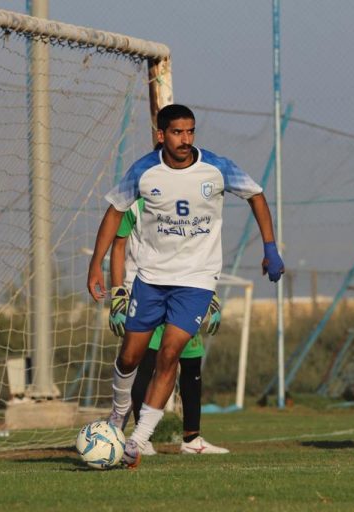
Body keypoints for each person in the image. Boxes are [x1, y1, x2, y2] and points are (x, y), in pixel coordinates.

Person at [87, 104, 283, 468]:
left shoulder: (217, 167)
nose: (186, 139)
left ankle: (137, 441)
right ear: (161, 135)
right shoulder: (144, 171)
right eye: (177, 132)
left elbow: (256, 195)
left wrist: (270, 247)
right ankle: (117, 416)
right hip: (150, 279)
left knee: (170, 356)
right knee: (130, 357)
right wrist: (96, 265)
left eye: (190, 131)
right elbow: (114, 211)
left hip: (196, 281)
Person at [108, 195, 229, 455]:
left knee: (191, 361)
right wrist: (118, 293)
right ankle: (142, 438)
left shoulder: (185, 199)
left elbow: (196, 249)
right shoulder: (134, 203)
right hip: (144, 291)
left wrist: (209, 291)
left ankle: (192, 439)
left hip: (185, 292)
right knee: (145, 363)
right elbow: (117, 245)